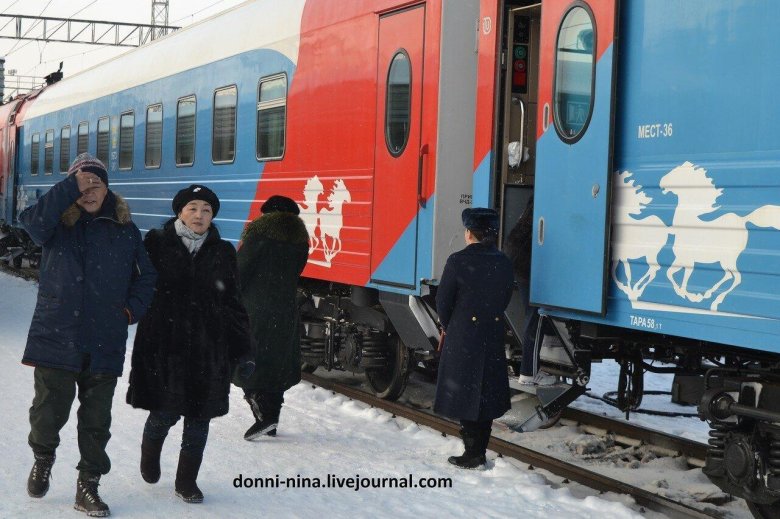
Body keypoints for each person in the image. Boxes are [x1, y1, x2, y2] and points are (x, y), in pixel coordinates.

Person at [21, 152, 157, 517]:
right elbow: (31, 226)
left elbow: (147, 277)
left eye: (96, 182)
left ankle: (88, 485)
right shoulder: (55, 223)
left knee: (97, 422)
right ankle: (43, 457)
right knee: (48, 412)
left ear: (107, 187)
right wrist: (68, 187)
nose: (89, 190)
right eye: (82, 184)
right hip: (56, 334)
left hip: (104, 338)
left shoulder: (124, 227)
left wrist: (128, 312)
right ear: (71, 189)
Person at [126, 184, 253, 504]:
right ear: (179, 211)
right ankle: (150, 451)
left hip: (209, 350)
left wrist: (244, 349)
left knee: (199, 420)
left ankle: (187, 482)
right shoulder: (155, 244)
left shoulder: (223, 252)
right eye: (193, 208)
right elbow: (136, 287)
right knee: (164, 414)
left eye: (206, 210)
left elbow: (233, 303)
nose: (199, 215)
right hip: (164, 346)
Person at [434, 207, 514, 469]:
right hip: (491, 333)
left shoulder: (457, 261)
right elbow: (504, 299)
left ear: (469, 233)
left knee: (467, 394)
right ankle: (479, 450)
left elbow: (443, 301)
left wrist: (450, 326)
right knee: (485, 394)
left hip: (463, 335)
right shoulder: (503, 262)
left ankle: (472, 453)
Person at [233, 195, 309, 441]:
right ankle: (271, 419)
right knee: (275, 365)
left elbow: (240, 271)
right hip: (285, 311)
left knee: (246, 363)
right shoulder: (300, 242)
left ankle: (264, 416)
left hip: (255, 310)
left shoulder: (258, 237)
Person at [503, 196, 555, 386]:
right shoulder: (551, 198)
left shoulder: (538, 195)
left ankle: (530, 368)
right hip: (525, 261)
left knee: (532, 315)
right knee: (536, 316)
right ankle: (529, 372)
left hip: (518, 257)